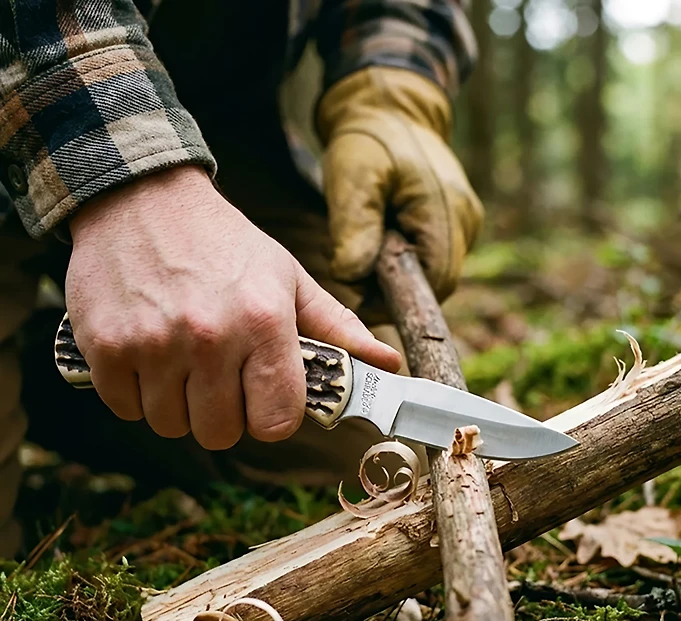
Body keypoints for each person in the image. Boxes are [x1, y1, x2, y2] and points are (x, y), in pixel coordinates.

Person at [0, 0, 484, 553]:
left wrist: (393, 92)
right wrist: (134, 183)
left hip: (216, 137)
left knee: (345, 461)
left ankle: (69, 357)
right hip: (58, 90)